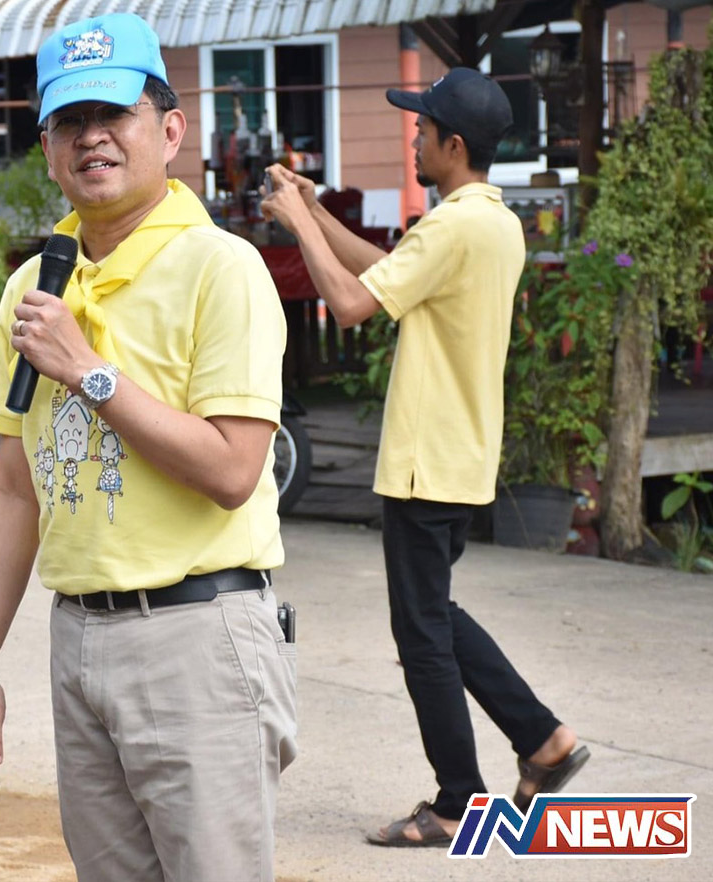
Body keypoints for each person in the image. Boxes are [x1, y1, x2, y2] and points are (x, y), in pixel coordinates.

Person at [0, 13, 297, 881]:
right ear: (46, 148)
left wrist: (87, 371)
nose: (91, 137)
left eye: (114, 113)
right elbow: (13, 488)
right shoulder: (33, 288)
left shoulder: (222, 268)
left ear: (170, 131)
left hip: (198, 637)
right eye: (69, 120)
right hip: (78, 638)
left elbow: (233, 471)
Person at [261, 67, 588, 847]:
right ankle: (544, 740)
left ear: (455, 145)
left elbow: (350, 304)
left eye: (423, 127)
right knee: (433, 614)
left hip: (424, 457)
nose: (414, 137)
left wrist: (297, 224)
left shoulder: (453, 228)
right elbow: (384, 270)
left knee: (421, 633)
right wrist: (315, 209)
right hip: (459, 453)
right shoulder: (490, 222)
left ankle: (457, 802)